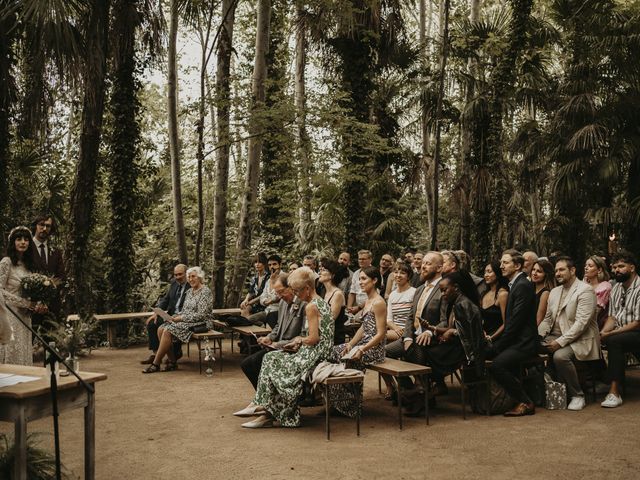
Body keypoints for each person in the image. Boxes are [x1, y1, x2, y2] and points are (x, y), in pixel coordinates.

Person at [237, 267, 333, 428]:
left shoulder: (310, 306)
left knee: (270, 359)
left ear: (307, 289)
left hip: (314, 354)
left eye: (297, 290)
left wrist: (299, 340)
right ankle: (266, 406)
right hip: (319, 350)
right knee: (270, 358)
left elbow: (313, 338)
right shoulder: (321, 302)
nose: (296, 294)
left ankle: (266, 406)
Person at [403, 271, 485, 415]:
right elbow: (455, 327)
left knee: (420, 350)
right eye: (440, 290)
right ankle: (423, 389)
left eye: (444, 290)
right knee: (416, 348)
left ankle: (423, 390)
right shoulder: (457, 302)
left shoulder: (464, 304)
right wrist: (432, 328)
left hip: (463, 351)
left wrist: (451, 333)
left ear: (456, 288)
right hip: (454, 345)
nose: (442, 294)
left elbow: (470, 334)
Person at [538, 256, 600, 411]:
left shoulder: (585, 290)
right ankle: (543, 393)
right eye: (556, 270)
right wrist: (538, 336)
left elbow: (581, 324)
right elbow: (547, 319)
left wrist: (560, 342)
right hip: (554, 336)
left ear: (572, 271)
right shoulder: (554, 292)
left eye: (562, 269)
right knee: (527, 347)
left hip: (580, 339)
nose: (558, 273)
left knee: (560, 356)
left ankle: (577, 395)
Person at [328, 265, 386, 417]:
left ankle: (353, 406)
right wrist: (350, 344)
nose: (360, 282)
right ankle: (340, 402)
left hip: (374, 349)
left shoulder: (379, 302)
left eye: (364, 279)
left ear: (374, 280)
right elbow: (363, 328)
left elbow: (380, 333)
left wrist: (362, 349)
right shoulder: (368, 301)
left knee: (347, 359)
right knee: (332, 352)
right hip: (362, 345)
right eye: (359, 279)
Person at [487, 249, 538, 417]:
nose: (501, 266)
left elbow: (515, 323)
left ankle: (526, 402)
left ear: (517, 266)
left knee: (497, 365)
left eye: (505, 263)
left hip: (524, 343)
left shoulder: (522, 285)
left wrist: (498, 346)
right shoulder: (514, 284)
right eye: (501, 262)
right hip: (516, 340)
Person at [238, 273, 307, 390]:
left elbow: (303, 335)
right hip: (277, 346)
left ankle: (269, 397)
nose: (279, 296)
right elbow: (278, 326)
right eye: (277, 293)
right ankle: (264, 396)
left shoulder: (304, 304)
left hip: (292, 349)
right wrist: (269, 338)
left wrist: (278, 344)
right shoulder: (282, 303)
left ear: (290, 287)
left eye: (281, 292)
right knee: (246, 364)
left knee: (256, 362)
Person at [142, 267, 213, 373]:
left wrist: (181, 318)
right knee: (161, 328)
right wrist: (174, 317)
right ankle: (172, 362)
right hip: (187, 320)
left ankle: (156, 363)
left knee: (167, 331)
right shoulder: (189, 292)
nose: (191, 279)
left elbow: (201, 315)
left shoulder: (205, 291)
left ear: (199, 277)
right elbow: (184, 310)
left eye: (193, 276)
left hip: (201, 323)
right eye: (189, 277)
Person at [0, 226, 48, 365]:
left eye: (26, 239)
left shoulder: (28, 266)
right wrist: (25, 303)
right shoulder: (6, 262)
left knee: (24, 351)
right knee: (11, 349)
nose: (23, 242)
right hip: (9, 315)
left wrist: (38, 303)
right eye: (19, 239)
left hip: (26, 316)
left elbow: (31, 291)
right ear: (13, 242)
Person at [599, 251, 640, 408]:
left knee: (614, 340)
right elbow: (612, 318)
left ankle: (615, 392)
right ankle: (603, 380)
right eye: (614, 267)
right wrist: (603, 332)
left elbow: (637, 323)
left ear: (632, 267)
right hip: (623, 332)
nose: (617, 270)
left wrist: (610, 333)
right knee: (601, 338)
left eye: (621, 266)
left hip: (636, 331)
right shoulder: (616, 288)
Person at [141, 264, 190, 365]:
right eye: (175, 275)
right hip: (171, 315)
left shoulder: (192, 285)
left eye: (180, 274)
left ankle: (175, 353)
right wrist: (157, 312)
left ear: (186, 273)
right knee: (152, 323)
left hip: (182, 317)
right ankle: (155, 353)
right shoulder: (174, 284)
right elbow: (165, 300)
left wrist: (179, 317)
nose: (177, 277)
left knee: (169, 327)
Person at [30, 214, 65, 326]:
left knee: (50, 342)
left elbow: (61, 277)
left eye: (48, 226)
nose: (44, 229)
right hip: (30, 306)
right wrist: (37, 302)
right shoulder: (26, 247)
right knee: (27, 341)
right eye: (41, 225)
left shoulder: (56, 251)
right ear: (35, 226)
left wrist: (46, 300)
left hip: (52, 306)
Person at [318, 258, 349, 344]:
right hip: (322, 336)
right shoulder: (323, 291)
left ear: (332, 275)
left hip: (334, 339)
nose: (319, 272)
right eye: (319, 269)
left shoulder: (337, 294)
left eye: (323, 270)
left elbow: (330, 319)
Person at [385, 261, 416, 343]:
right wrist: (396, 328)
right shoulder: (392, 295)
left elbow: (415, 317)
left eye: (402, 273)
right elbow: (388, 319)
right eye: (395, 272)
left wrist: (403, 330)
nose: (398, 275)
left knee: (376, 336)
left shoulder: (414, 293)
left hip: (408, 332)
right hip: (395, 330)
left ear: (408, 276)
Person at [248, 254, 282, 327]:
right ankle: (263, 328)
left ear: (280, 265)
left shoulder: (284, 278)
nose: (272, 267)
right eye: (270, 265)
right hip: (268, 309)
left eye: (274, 264)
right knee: (249, 319)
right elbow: (263, 297)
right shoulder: (269, 280)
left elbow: (278, 296)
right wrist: (267, 302)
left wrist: (270, 301)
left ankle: (265, 329)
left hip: (278, 311)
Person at [480, 260, 509, 342]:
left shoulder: (502, 294)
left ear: (498, 273)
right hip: (483, 336)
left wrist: (491, 338)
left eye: (489, 272)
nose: (486, 275)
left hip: (497, 337)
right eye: (485, 272)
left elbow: (506, 323)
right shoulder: (484, 294)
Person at [583, 255, 612, 329]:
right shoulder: (583, 284)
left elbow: (594, 313)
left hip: (593, 325)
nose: (586, 268)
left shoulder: (605, 287)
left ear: (599, 270)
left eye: (590, 266)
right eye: (585, 265)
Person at [240, 253, 269, 318]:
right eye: (255, 262)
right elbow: (251, 292)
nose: (257, 264)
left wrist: (250, 302)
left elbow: (263, 295)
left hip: (264, 304)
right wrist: (246, 300)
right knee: (244, 307)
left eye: (260, 262)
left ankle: (252, 324)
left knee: (248, 310)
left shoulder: (268, 277)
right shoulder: (254, 277)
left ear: (264, 264)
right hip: (254, 304)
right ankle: (247, 325)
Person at [346, 249, 373, 316]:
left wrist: (358, 308)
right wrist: (349, 309)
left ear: (370, 260)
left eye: (363, 259)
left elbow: (374, 296)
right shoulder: (356, 273)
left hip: (370, 307)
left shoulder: (374, 273)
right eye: (359, 259)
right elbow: (352, 292)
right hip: (357, 307)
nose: (361, 261)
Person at [531, 259, 554, 326]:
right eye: (533, 269)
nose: (534, 273)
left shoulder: (545, 293)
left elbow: (539, 320)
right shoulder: (530, 288)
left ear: (546, 274)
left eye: (539, 271)